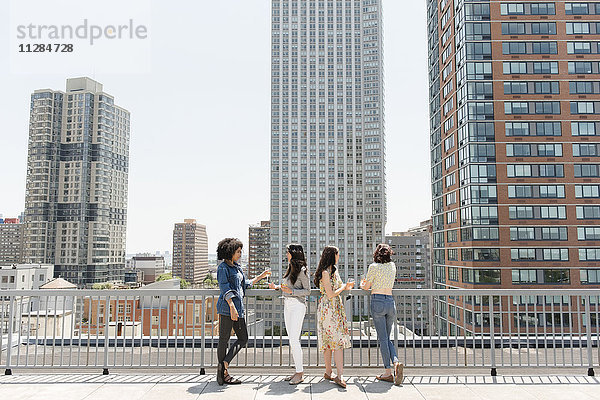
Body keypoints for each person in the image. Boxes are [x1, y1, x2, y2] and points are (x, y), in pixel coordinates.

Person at [216, 238, 271, 385]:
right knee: (224, 340)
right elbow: (224, 288)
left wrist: (261, 276)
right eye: (238, 251)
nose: (240, 254)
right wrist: (232, 307)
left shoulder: (237, 267)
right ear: (230, 252)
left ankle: (224, 364)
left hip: (238, 310)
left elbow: (244, 284)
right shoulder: (223, 268)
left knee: (243, 338)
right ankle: (222, 374)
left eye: (241, 251)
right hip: (227, 309)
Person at [360, 243, 403, 386]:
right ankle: (396, 362)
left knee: (383, 339)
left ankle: (388, 372)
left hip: (377, 301)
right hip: (390, 302)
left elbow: (367, 286)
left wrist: (361, 284)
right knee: (387, 338)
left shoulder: (373, 267)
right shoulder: (392, 266)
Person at [269, 244, 311, 385]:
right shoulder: (290, 268)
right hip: (288, 305)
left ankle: (300, 373)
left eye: (287, 252)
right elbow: (287, 288)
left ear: (293, 253)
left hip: (298, 306)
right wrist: (277, 288)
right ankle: (297, 371)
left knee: (294, 340)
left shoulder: (303, 270)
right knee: (291, 340)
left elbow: (307, 291)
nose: (286, 254)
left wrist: (291, 292)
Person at [314, 246, 353, 389]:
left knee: (331, 341)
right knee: (335, 342)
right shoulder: (326, 272)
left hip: (333, 308)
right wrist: (344, 287)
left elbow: (335, 290)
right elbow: (330, 294)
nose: (339, 257)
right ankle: (339, 375)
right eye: (337, 255)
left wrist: (344, 287)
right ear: (332, 256)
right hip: (329, 308)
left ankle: (329, 372)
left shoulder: (333, 272)